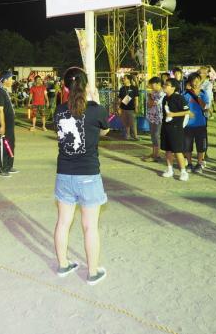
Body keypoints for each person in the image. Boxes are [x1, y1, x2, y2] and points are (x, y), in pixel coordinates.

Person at [53, 67, 110, 286]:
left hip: (64, 174)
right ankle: (92, 272)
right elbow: (103, 131)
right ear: (85, 85)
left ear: (65, 87)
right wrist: (95, 100)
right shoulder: (96, 110)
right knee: (90, 226)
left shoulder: (58, 110)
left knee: (63, 223)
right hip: (88, 175)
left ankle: (62, 264)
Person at [160, 78, 191, 181]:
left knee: (177, 151)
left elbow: (187, 112)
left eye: (167, 84)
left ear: (173, 87)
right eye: (164, 84)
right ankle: (169, 169)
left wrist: (173, 114)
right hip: (166, 127)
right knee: (167, 150)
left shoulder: (179, 98)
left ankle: (183, 172)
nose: (164, 86)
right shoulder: (165, 98)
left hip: (176, 128)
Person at [182, 73, 210, 173]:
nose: (196, 82)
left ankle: (199, 164)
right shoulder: (185, 94)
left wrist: (197, 95)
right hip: (188, 125)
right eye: (194, 80)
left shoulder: (203, 93)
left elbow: (205, 107)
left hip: (201, 124)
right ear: (190, 82)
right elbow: (181, 107)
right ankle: (189, 164)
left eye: (198, 80)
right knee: (187, 146)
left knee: (200, 146)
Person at [0, 71, 17, 177]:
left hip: (10, 125)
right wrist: (2, 125)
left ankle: (8, 166)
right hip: (4, 125)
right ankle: (1, 169)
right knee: (3, 146)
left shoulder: (4, 91)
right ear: (5, 80)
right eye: (11, 78)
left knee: (10, 145)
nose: (12, 80)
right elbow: (0, 110)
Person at [143, 77, 164, 162]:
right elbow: (148, 104)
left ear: (158, 84)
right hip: (152, 116)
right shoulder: (153, 92)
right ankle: (154, 153)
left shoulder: (162, 93)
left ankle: (157, 155)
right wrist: (150, 98)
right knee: (153, 136)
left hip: (159, 117)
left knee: (156, 135)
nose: (151, 86)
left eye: (152, 84)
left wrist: (150, 97)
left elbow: (152, 103)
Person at [118, 74, 139, 140]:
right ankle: (127, 136)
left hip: (131, 108)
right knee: (125, 123)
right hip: (123, 108)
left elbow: (136, 99)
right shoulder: (122, 88)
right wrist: (119, 108)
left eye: (125, 78)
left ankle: (135, 136)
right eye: (123, 78)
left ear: (129, 80)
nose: (123, 79)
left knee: (133, 123)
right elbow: (119, 99)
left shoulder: (134, 88)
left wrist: (136, 107)